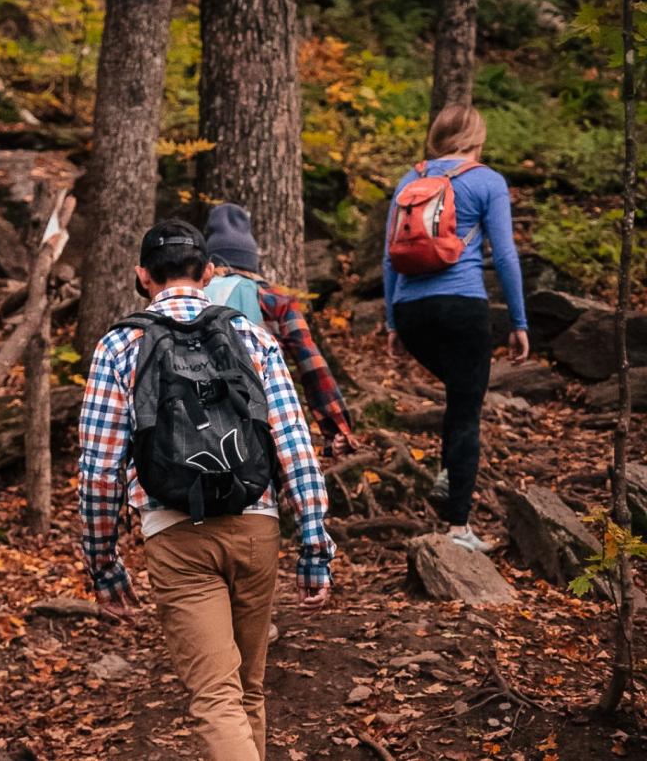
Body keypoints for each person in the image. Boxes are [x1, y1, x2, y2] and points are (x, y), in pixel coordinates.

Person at [78, 220, 335, 761]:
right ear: (210, 272)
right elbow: (294, 446)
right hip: (256, 525)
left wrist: (103, 564)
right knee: (248, 690)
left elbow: (100, 470)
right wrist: (315, 547)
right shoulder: (253, 337)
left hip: (175, 534)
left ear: (142, 276)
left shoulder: (120, 345)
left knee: (217, 697)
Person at [383, 104, 529, 554]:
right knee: (467, 409)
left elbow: (389, 257)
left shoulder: (409, 181)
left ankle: (448, 475)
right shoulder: (487, 181)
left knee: (459, 395)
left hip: (412, 311)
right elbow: (504, 255)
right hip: (462, 306)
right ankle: (458, 526)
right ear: (476, 138)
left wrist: (392, 321)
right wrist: (519, 321)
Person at [204, 202, 361, 457]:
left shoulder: (190, 298)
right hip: (259, 423)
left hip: (196, 421)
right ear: (251, 261)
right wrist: (338, 428)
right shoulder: (273, 299)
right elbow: (311, 365)